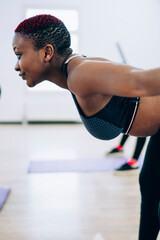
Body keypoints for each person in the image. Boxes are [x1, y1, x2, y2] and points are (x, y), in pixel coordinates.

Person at [12, 14, 160, 239]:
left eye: (19, 54)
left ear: (47, 52)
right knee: (150, 185)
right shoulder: (75, 71)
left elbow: (142, 80)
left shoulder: (80, 74)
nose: (16, 66)